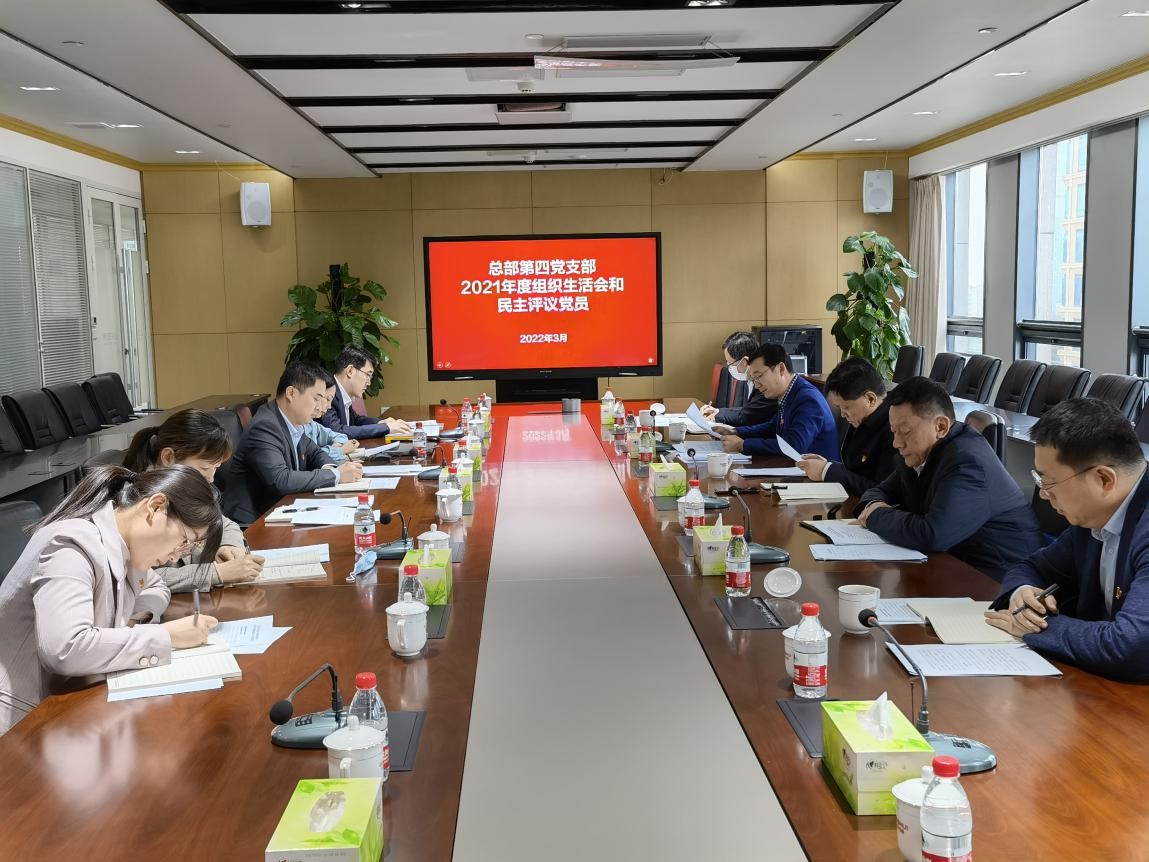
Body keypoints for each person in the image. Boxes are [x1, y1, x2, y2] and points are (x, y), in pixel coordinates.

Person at [0, 465, 221, 734]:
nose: (176, 556)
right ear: (155, 507)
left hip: (67, 704)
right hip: (18, 720)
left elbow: (157, 586)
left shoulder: (125, 543)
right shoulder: (71, 545)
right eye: (184, 540)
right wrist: (165, 636)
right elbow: (65, 648)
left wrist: (132, 622)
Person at [985, 399, 1149, 680]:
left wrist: (1034, 627)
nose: (1043, 494)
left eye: (1048, 482)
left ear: (1104, 480)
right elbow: (1030, 567)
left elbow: (1133, 646)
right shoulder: (1094, 516)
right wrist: (1022, 591)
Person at [857, 376, 1042, 581]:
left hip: (999, 579)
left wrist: (875, 515)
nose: (896, 443)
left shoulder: (968, 462)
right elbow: (878, 491)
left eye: (905, 432)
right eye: (894, 432)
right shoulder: (918, 453)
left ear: (941, 427)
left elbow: (932, 534)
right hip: (955, 564)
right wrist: (874, 505)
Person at [122, 409, 264, 592]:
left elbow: (224, 524)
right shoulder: (139, 503)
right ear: (168, 457)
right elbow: (138, 578)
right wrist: (215, 573)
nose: (210, 479)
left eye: (216, 468)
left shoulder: (188, 488)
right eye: (204, 468)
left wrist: (228, 547)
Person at [222, 361, 363, 525]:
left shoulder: (292, 422)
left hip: (281, 510)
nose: (320, 407)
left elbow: (314, 452)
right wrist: (336, 475)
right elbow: (280, 479)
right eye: (316, 399)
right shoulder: (265, 426)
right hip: (253, 522)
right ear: (291, 393)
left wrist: (332, 468)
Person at [714, 342, 838, 459]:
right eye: (753, 379)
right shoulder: (790, 392)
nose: (756, 385)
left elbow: (795, 445)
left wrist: (743, 445)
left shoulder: (808, 399)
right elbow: (773, 427)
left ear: (781, 369)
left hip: (815, 473)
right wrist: (736, 432)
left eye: (758, 376)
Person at [796, 357, 898, 496]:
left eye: (846, 407)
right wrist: (827, 465)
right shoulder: (863, 417)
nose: (843, 415)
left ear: (870, 399)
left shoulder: (895, 429)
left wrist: (827, 471)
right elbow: (858, 470)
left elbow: (882, 491)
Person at [319, 345, 411, 440]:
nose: (369, 383)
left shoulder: (342, 392)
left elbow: (356, 420)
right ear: (350, 371)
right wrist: (386, 428)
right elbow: (337, 431)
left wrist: (380, 423)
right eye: (367, 375)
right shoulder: (326, 393)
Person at [700, 331, 777, 427]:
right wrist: (717, 411)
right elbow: (750, 409)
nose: (729, 367)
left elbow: (750, 415)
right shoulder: (751, 380)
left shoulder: (765, 382)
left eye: (730, 363)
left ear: (744, 362)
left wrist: (717, 416)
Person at [305, 369, 360, 464]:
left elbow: (340, 436)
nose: (329, 406)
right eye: (327, 399)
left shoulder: (311, 424)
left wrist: (336, 448)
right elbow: (309, 458)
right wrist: (339, 451)